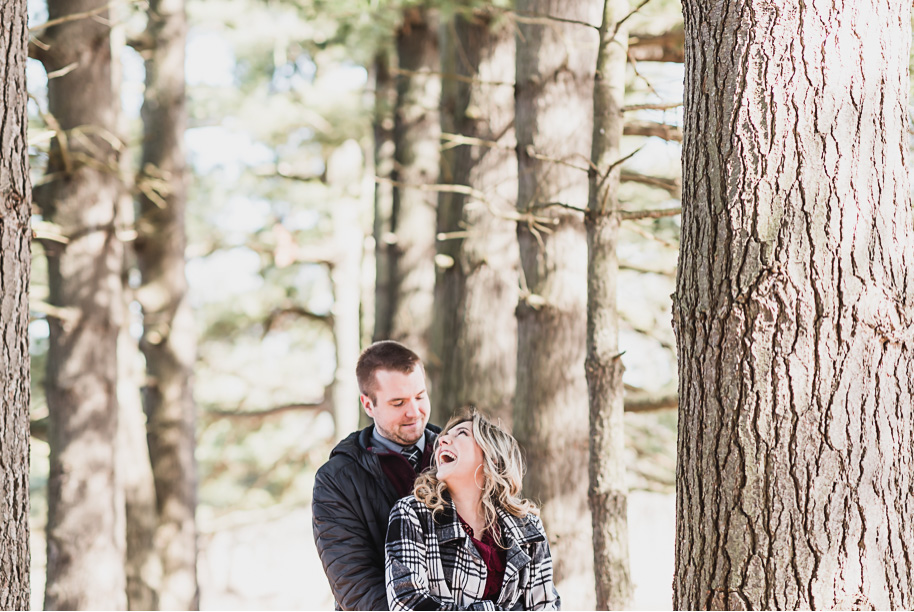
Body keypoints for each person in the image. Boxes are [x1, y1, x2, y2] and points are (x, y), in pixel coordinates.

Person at [385, 408, 561, 611]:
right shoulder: (411, 515)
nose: (442, 441)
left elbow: (546, 605)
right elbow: (407, 604)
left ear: (492, 457)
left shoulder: (528, 528)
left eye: (462, 434)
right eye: (444, 436)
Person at [312, 340, 441, 610]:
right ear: (368, 405)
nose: (414, 412)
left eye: (419, 396)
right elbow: (356, 587)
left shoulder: (459, 455)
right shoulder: (336, 480)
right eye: (398, 403)